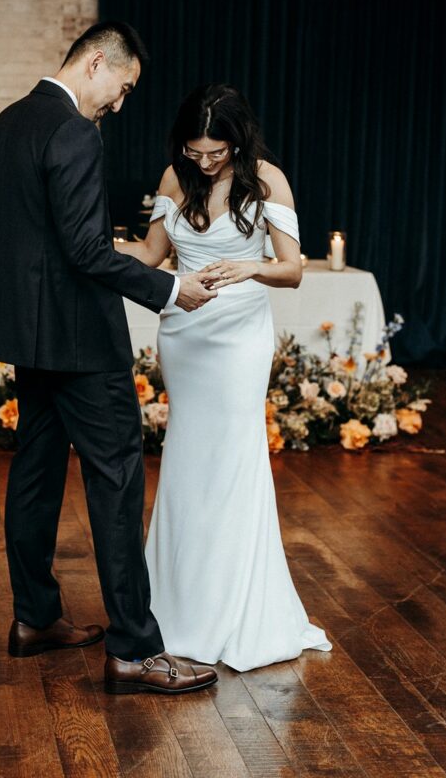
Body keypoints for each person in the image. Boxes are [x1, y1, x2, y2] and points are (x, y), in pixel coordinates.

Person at [0, 22, 219, 695]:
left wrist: (31, 266)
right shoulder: (73, 131)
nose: (119, 104)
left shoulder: (2, 127)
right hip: (78, 340)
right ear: (97, 63)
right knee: (117, 481)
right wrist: (168, 287)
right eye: (122, 89)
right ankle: (134, 650)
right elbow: (86, 252)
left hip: (27, 336)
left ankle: (35, 619)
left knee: (37, 471)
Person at [120, 82, 332, 671]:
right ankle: (175, 605)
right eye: (196, 152)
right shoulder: (175, 177)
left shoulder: (268, 181)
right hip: (184, 334)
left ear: (237, 142)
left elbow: (292, 271)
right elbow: (153, 254)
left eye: (216, 153)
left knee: (236, 459)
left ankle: (236, 607)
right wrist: (93, 244)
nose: (206, 162)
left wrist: (250, 266)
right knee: (188, 457)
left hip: (238, 339)